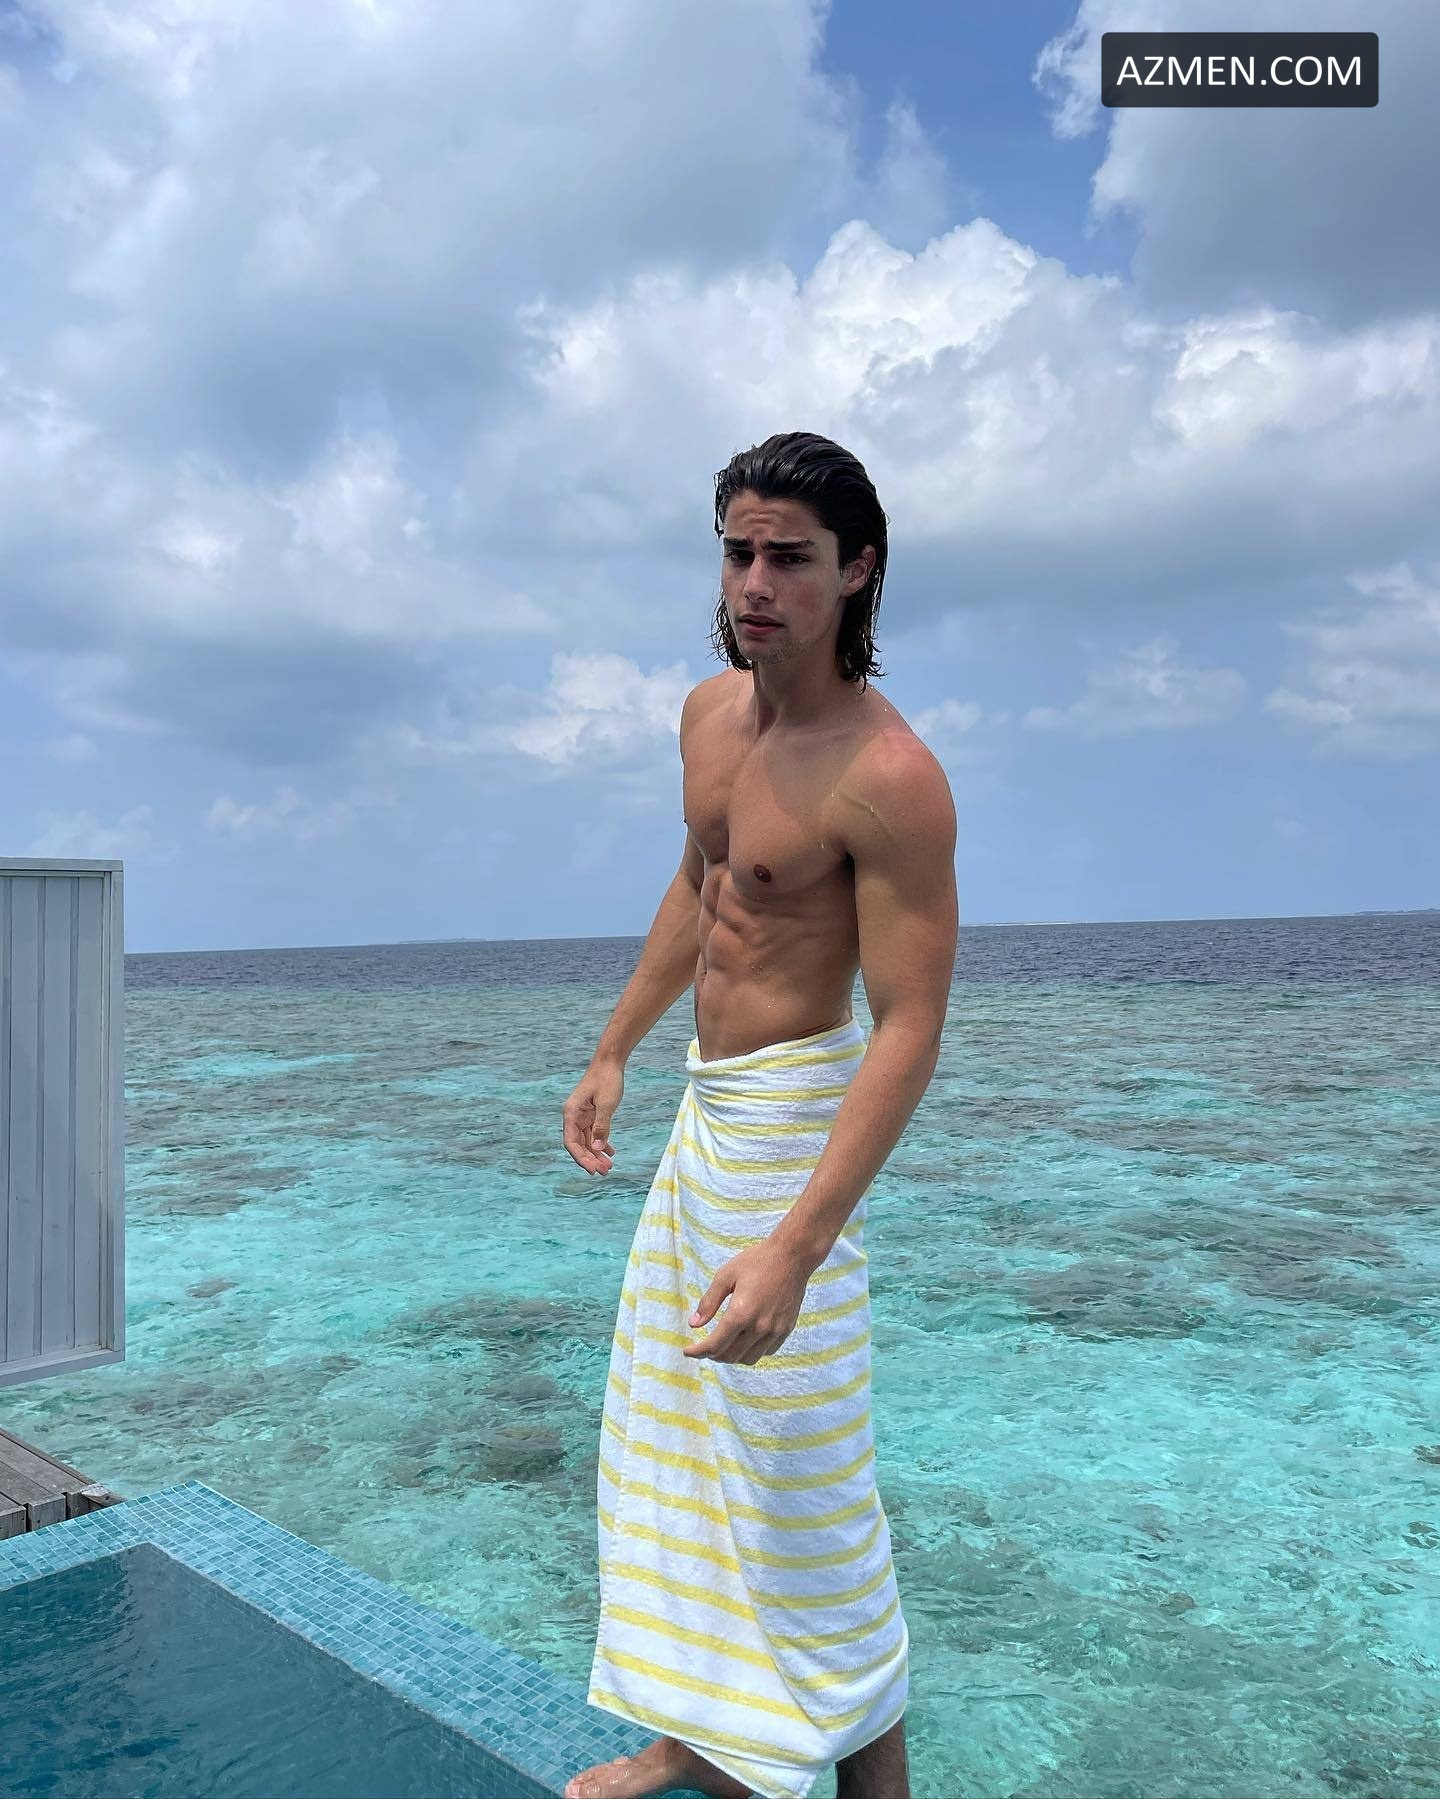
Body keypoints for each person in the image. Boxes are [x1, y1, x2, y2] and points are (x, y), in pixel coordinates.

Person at [562, 431, 958, 1799]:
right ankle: (693, 1733)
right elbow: (704, 886)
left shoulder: (889, 776)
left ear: (857, 571)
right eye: (739, 552)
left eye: (791, 557)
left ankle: (857, 1775)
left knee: (803, 1473)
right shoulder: (706, 717)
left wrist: (799, 1242)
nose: (756, 583)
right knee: (675, 1438)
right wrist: (615, 1047)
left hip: (795, 1128)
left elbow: (909, 1025)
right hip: (704, 1112)